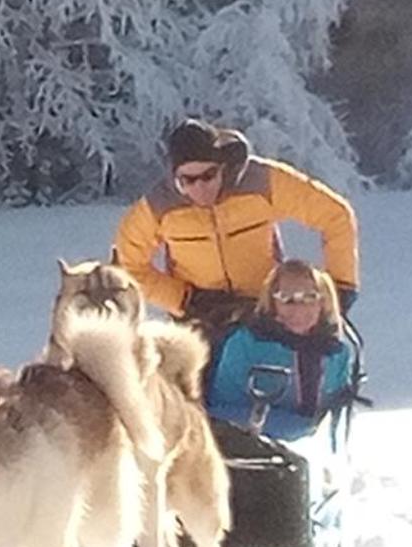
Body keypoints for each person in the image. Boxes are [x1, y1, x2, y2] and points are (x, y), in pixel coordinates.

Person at [113, 119, 360, 339]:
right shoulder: (159, 205)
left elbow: (335, 216)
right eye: (187, 180)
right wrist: (183, 299)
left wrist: (341, 286)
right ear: (174, 177)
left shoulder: (262, 181)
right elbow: (129, 263)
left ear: (223, 167)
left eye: (208, 175)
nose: (199, 187)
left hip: (265, 312)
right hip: (199, 319)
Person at [206, 260, 359, 441]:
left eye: (310, 297)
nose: (298, 308)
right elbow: (220, 410)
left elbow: (336, 415)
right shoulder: (245, 343)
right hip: (246, 451)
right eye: (286, 299)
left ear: (324, 302)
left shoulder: (337, 353)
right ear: (272, 302)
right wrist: (292, 427)